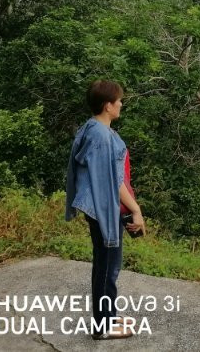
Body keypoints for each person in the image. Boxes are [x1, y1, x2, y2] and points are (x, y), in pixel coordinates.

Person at [65, 80, 145, 340]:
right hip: (104, 209)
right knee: (107, 268)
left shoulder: (95, 128)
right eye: (118, 100)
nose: (121, 104)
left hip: (104, 207)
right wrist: (136, 210)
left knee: (107, 265)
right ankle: (103, 327)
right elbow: (112, 181)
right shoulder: (100, 136)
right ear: (107, 105)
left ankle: (107, 316)